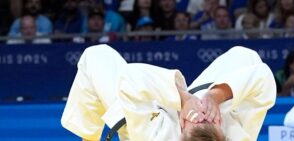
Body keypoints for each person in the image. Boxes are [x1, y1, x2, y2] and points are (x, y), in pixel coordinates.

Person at [61, 45, 276, 141]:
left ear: (182, 126)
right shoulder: (234, 133)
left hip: (141, 125)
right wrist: (214, 97)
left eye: (197, 118)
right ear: (221, 127)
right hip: (200, 112)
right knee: (246, 56)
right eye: (209, 117)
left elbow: (131, 78)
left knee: (97, 56)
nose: (203, 112)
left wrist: (183, 98)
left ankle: (88, 139)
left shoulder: (155, 135)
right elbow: (264, 78)